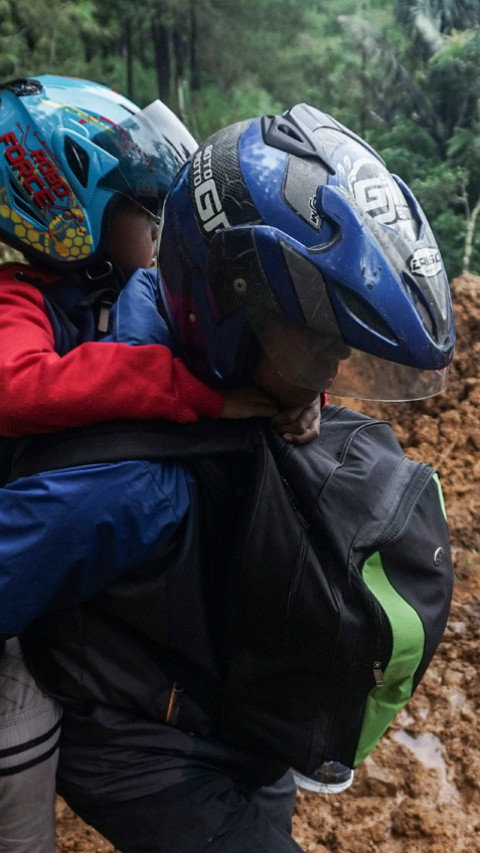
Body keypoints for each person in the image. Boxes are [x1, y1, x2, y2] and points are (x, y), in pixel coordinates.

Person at [17, 103, 454, 853]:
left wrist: (284, 390)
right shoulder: (128, 486)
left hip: (226, 708)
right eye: (314, 341)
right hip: (142, 740)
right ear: (227, 313)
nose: (331, 371)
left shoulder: (170, 308)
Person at [0, 74, 311, 853]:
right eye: (146, 207)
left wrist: (296, 393)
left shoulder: (126, 289)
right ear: (75, 213)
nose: (161, 226)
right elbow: (17, 386)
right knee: (17, 752)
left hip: (86, 581)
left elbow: (224, 349)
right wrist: (180, 391)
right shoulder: (19, 303)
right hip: (23, 562)